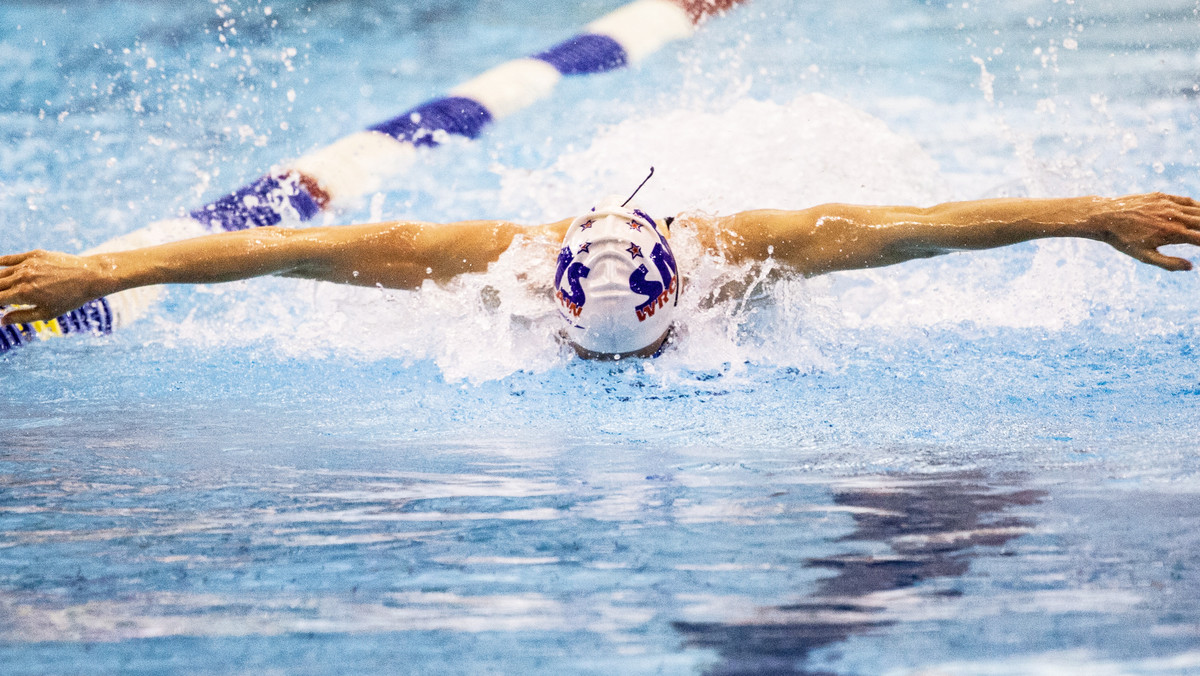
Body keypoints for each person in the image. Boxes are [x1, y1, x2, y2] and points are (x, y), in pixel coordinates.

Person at [1, 191, 1198, 359]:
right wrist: (1092, 213)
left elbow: (281, 252)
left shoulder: (734, 257)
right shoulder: (490, 263)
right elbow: (929, 226)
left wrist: (97, 266)